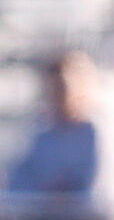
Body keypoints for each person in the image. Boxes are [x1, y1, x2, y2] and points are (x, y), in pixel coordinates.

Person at [8, 51, 102, 199]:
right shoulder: (41, 136)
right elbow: (17, 184)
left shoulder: (99, 134)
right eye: (54, 88)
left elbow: (100, 188)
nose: (57, 96)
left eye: (63, 88)